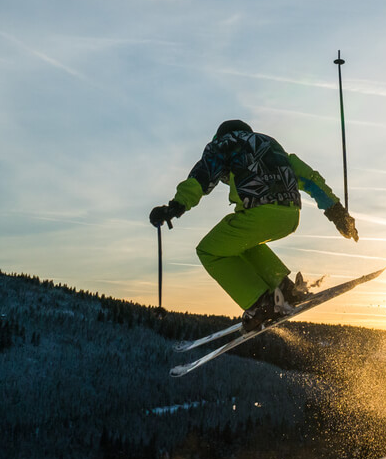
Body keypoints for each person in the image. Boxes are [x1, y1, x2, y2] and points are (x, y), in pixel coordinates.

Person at [149, 120, 358, 331]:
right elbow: (310, 179)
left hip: (259, 212)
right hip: (290, 215)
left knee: (208, 251)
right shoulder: (273, 147)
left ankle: (260, 305)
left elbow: (201, 177)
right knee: (242, 243)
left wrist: (175, 207)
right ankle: (284, 289)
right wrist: (337, 212)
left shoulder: (224, 144)